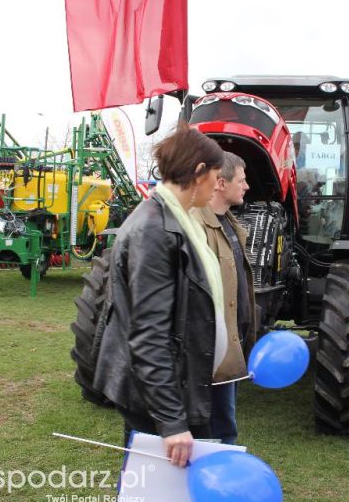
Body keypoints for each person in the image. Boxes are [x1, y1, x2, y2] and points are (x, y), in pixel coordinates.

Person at [92, 123, 226, 468]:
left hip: (178, 383)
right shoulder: (154, 230)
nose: (217, 185)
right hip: (161, 397)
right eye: (215, 176)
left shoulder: (177, 218)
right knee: (152, 496)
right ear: (198, 173)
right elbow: (148, 333)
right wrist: (171, 421)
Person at [191, 151, 256, 445]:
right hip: (209, 351)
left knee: (224, 424)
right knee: (214, 429)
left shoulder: (229, 223)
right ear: (220, 182)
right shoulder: (196, 226)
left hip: (230, 343)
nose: (246, 186)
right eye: (241, 180)